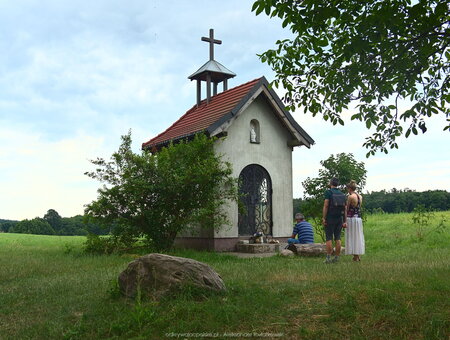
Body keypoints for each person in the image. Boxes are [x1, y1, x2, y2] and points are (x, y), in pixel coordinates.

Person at [322, 177, 347, 263]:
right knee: (338, 238)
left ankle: (328, 258)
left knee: (329, 238)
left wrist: (324, 218)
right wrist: (345, 221)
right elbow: (345, 208)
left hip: (330, 217)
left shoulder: (328, 192)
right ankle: (336, 258)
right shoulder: (342, 194)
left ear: (330, 183)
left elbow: (326, 205)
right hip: (339, 218)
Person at [345, 180, 365, 261]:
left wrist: (344, 220)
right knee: (358, 237)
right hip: (358, 219)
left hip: (351, 219)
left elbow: (347, 209)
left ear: (349, 188)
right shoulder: (360, 196)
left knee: (352, 237)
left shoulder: (350, 197)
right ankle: (357, 255)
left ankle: (355, 256)